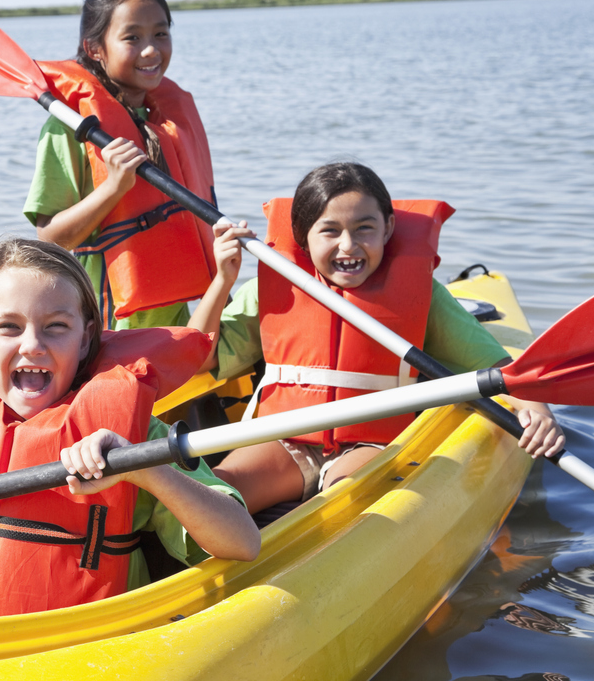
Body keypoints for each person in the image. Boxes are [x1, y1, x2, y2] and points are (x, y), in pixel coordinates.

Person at [0, 238, 259, 621]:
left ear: (85, 340)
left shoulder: (131, 438)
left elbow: (242, 542)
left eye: (55, 327)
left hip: (76, 651)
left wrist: (143, 469)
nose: (32, 344)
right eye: (9, 327)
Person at [187, 162, 566, 514]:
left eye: (364, 228)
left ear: (387, 228)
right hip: (284, 438)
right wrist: (223, 280)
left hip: (372, 443)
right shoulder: (268, 291)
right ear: (303, 236)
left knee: (339, 503)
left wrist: (538, 409)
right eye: (330, 231)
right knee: (216, 493)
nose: (348, 245)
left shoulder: (423, 297)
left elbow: (500, 369)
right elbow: (199, 358)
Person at [23, 0, 217, 330]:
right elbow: (50, 238)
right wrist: (113, 187)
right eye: (132, 37)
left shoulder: (170, 122)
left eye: (161, 33)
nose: (151, 50)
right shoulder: (69, 127)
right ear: (95, 48)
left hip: (172, 320)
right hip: (105, 324)